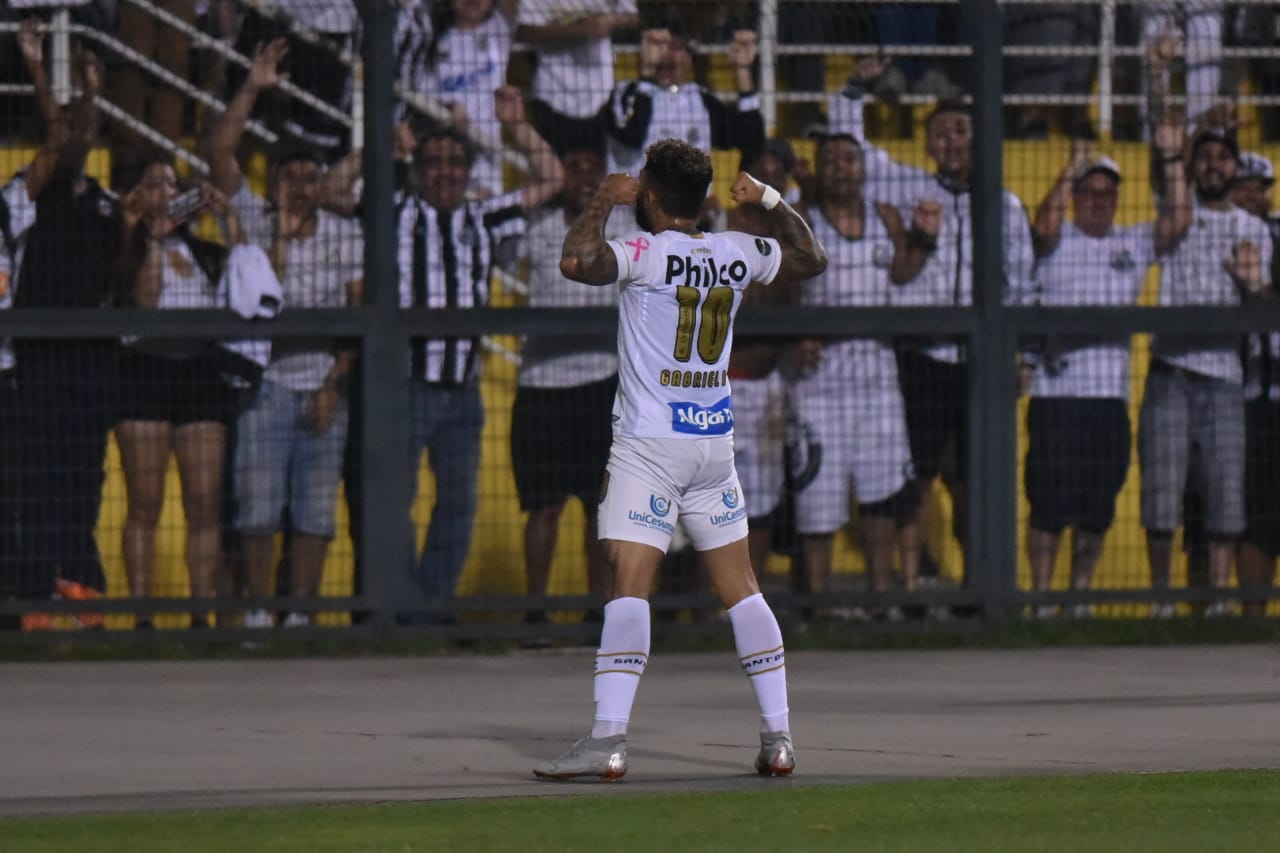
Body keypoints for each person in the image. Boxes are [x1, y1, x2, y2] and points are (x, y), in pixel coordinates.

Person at [533, 138, 827, 781]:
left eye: (642, 183)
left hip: (649, 446)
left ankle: (608, 741)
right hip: (712, 446)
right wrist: (771, 198)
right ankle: (778, 738)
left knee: (627, 585)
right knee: (743, 591)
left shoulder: (644, 252)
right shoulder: (734, 252)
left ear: (653, 197)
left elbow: (576, 261)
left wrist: (602, 202)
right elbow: (811, 257)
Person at [825, 67, 1036, 566]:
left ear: (979, 138)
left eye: (961, 130)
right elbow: (850, 145)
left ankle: (979, 582)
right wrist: (856, 89)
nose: (952, 141)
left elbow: (1023, 286)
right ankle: (915, 582)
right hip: (920, 357)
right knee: (915, 476)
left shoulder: (1006, 206)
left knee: (977, 476)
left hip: (981, 361)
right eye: (941, 133)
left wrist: (1023, 356)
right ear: (929, 146)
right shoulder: (907, 185)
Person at [203, 37, 365, 630]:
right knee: (258, 510)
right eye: (289, 175)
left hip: (322, 378)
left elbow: (357, 319)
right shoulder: (255, 219)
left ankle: (298, 618)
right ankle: (255, 615)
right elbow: (220, 151)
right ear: (273, 184)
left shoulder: (346, 235)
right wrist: (252, 86)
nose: (300, 183)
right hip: (266, 384)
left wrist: (333, 382)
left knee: (315, 512)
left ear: (322, 183)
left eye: (308, 175)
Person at [399, 86, 563, 622]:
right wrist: (384, 145)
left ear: (469, 170)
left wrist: (517, 126)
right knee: (392, 502)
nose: (445, 172)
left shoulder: (482, 216)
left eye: (455, 162)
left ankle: (428, 607)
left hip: (463, 387)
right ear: (418, 169)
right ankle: (402, 609)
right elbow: (332, 190)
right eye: (434, 163)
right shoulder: (394, 212)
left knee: (460, 504)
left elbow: (554, 180)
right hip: (404, 383)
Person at [1024, 122, 1189, 619]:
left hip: (1108, 397)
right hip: (1056, 393)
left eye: (1107, 193)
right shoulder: (1059, 239)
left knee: (1098, 505)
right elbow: (1043, 227)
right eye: (1089, 192)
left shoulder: (1131, 243)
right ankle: (1040, 599)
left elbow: (1179, 219)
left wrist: (1173, 157)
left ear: (1118, 199)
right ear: (1076, 195)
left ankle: (1078, 596)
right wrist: (1073, 163)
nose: (1098, 200)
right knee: (1048, 505)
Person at [786, 132, 925, 621]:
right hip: (820, 379)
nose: (841, 168)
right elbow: (779, 285)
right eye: (831, 160)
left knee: (882, 493)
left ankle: (880, 598)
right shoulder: (803, 221)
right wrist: (792, 336)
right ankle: (819, 604)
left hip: (877, 374)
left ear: (864, 167)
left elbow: (904, 272)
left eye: (849, 159)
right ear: (818, 169)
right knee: (817, 499)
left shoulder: (885, 218)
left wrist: (924, 242)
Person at [7, 34, 117, 631]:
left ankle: (80, 583)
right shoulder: (37, 196)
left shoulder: (103, 202)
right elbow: (58, 134)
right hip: (42, 354)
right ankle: (35, 591)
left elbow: (120, 278)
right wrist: (37, 69)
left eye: (86, 128)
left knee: (84, 473)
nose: (77, 136)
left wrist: (93, 96)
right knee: (38, 474)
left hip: (91, 360)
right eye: (70, 129)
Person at [1139, 125, 1271, 617]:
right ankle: (1161, 601)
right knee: (1162, 491)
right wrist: (1172, 139)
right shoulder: (1176, 209)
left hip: (1224, 374)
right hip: (1170, 368)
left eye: (1224, 158)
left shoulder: (1254, 229)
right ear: (1192, 166)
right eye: (1206, 157)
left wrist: (1252, 284)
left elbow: (1262, 306)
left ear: (1235, 169)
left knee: (1225, 492)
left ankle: (1215, 601)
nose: (1214, 165)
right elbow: (1162, 164)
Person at [112, 161, 246, 627]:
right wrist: (150, 235)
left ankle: (200, 614)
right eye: (154, 184)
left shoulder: (205, 253)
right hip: (145, 372)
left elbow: (248, 279)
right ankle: (143, 615)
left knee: (204, 502)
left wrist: (227, 217)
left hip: (199, 373)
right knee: (145, 501)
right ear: (139, 197)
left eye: (173, 185)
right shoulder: (125, 249)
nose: (166, 192)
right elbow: (145, 303)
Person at [512, 144, 618, 629]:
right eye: (572, 167)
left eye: (591, 170)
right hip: (542, 384)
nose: (581, 177)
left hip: (603, 381)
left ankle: (600, 611)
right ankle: (536, 610)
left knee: (601, 510)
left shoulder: (625, 230)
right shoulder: (536, 229)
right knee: (544, 507)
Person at [722, 139, 801, 585]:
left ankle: (753, 598)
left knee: (764, 505)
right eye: (759, 173)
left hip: (770, 381)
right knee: (710, 506)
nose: (766, 182)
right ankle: (706, 609)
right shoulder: (717, 226)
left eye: (777, 174)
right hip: (720, 385)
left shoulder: (791, 236)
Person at [602, 28, 763, 179]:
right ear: (641, 55)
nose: (665, 53)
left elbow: (751, 141)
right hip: (632, 206)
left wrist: (743, 70)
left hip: (689, 207)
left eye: (675, 47)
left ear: (689, 59)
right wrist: (647, 72)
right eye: (657, 46)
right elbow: (631, 136)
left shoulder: (701, 99)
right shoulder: (625, 92)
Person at [1229, 151, 1280, 617]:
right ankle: (1249, 621)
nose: (1254, 195)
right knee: (1257, 518)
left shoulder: (1275, 232)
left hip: (1268, 387)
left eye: (1261, 187)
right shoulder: (1217, 232)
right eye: (1245, 185)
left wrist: (1259, 290)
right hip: (1249, 397)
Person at [414, 0, 517, 197]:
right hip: (445, 155)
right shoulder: (431, 42)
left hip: (486, 159)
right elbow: (421, 99)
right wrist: (446, 110)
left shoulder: (498, 29)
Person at [515, 0, 638, 155]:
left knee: (600, 173)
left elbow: (635, 16)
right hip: (552, 95)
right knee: (553, 174)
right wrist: (578, 30)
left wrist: (612, 21)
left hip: (602, 96)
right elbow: (522, 32)